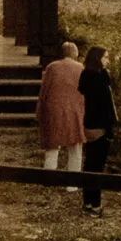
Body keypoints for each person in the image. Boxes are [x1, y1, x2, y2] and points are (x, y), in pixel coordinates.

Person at [37, 37, 85, 172]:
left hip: (54, 110)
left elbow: (44, 91)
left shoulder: (52, 67)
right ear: (75, 53)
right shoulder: (81, 68)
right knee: (75, 147)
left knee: (52, 145)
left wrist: (39, 112)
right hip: (74, 111)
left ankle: (49, 177)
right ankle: (73, 181)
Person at [79, 44, 117, 212]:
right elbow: (106, 106)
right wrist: (110, 129)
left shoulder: (86, 75)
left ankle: (87, 201)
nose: (108, 60)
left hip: (89, 123)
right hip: (101, 125)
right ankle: (96, 204)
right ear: (98, 59)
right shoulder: (101, 78)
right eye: (105, 57)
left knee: (89, 164)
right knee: (97, 167)